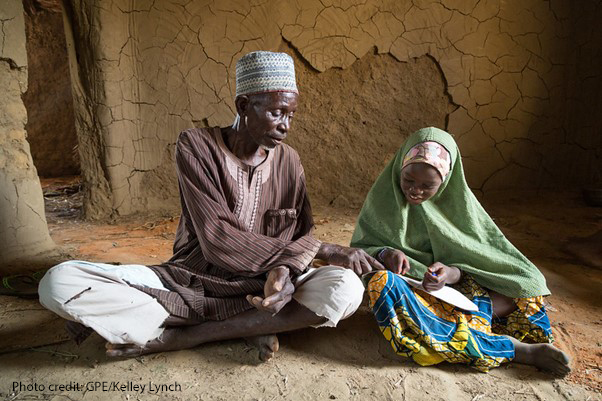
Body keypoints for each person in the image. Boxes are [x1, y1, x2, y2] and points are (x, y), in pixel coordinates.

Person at [38, 51, 383, 360]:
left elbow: (300, 235)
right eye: (277, 112)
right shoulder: (196, 146)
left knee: (346, 290)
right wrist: (320, 250)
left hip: (264, 287)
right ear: (244, 106)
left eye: (291, 115)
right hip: (189, 281)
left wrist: (286, 273)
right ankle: (251, 325)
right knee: (58, 281)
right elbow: (217, 238)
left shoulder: (289, 160)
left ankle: (189, 335)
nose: (285, 126)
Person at [350, 127, 571, 375]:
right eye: (408, 180)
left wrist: (449, 273)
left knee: (528, 285)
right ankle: (514, 349)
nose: (415, 190)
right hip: (418, 298)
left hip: (461, 296)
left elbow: (479, 259)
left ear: (446, 183)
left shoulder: (461, 210)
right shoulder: (384, 199)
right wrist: (385, 252)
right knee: (382, 283)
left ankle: (457, 328)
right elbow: (361, 249)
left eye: (428, 185)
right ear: (398, 169)